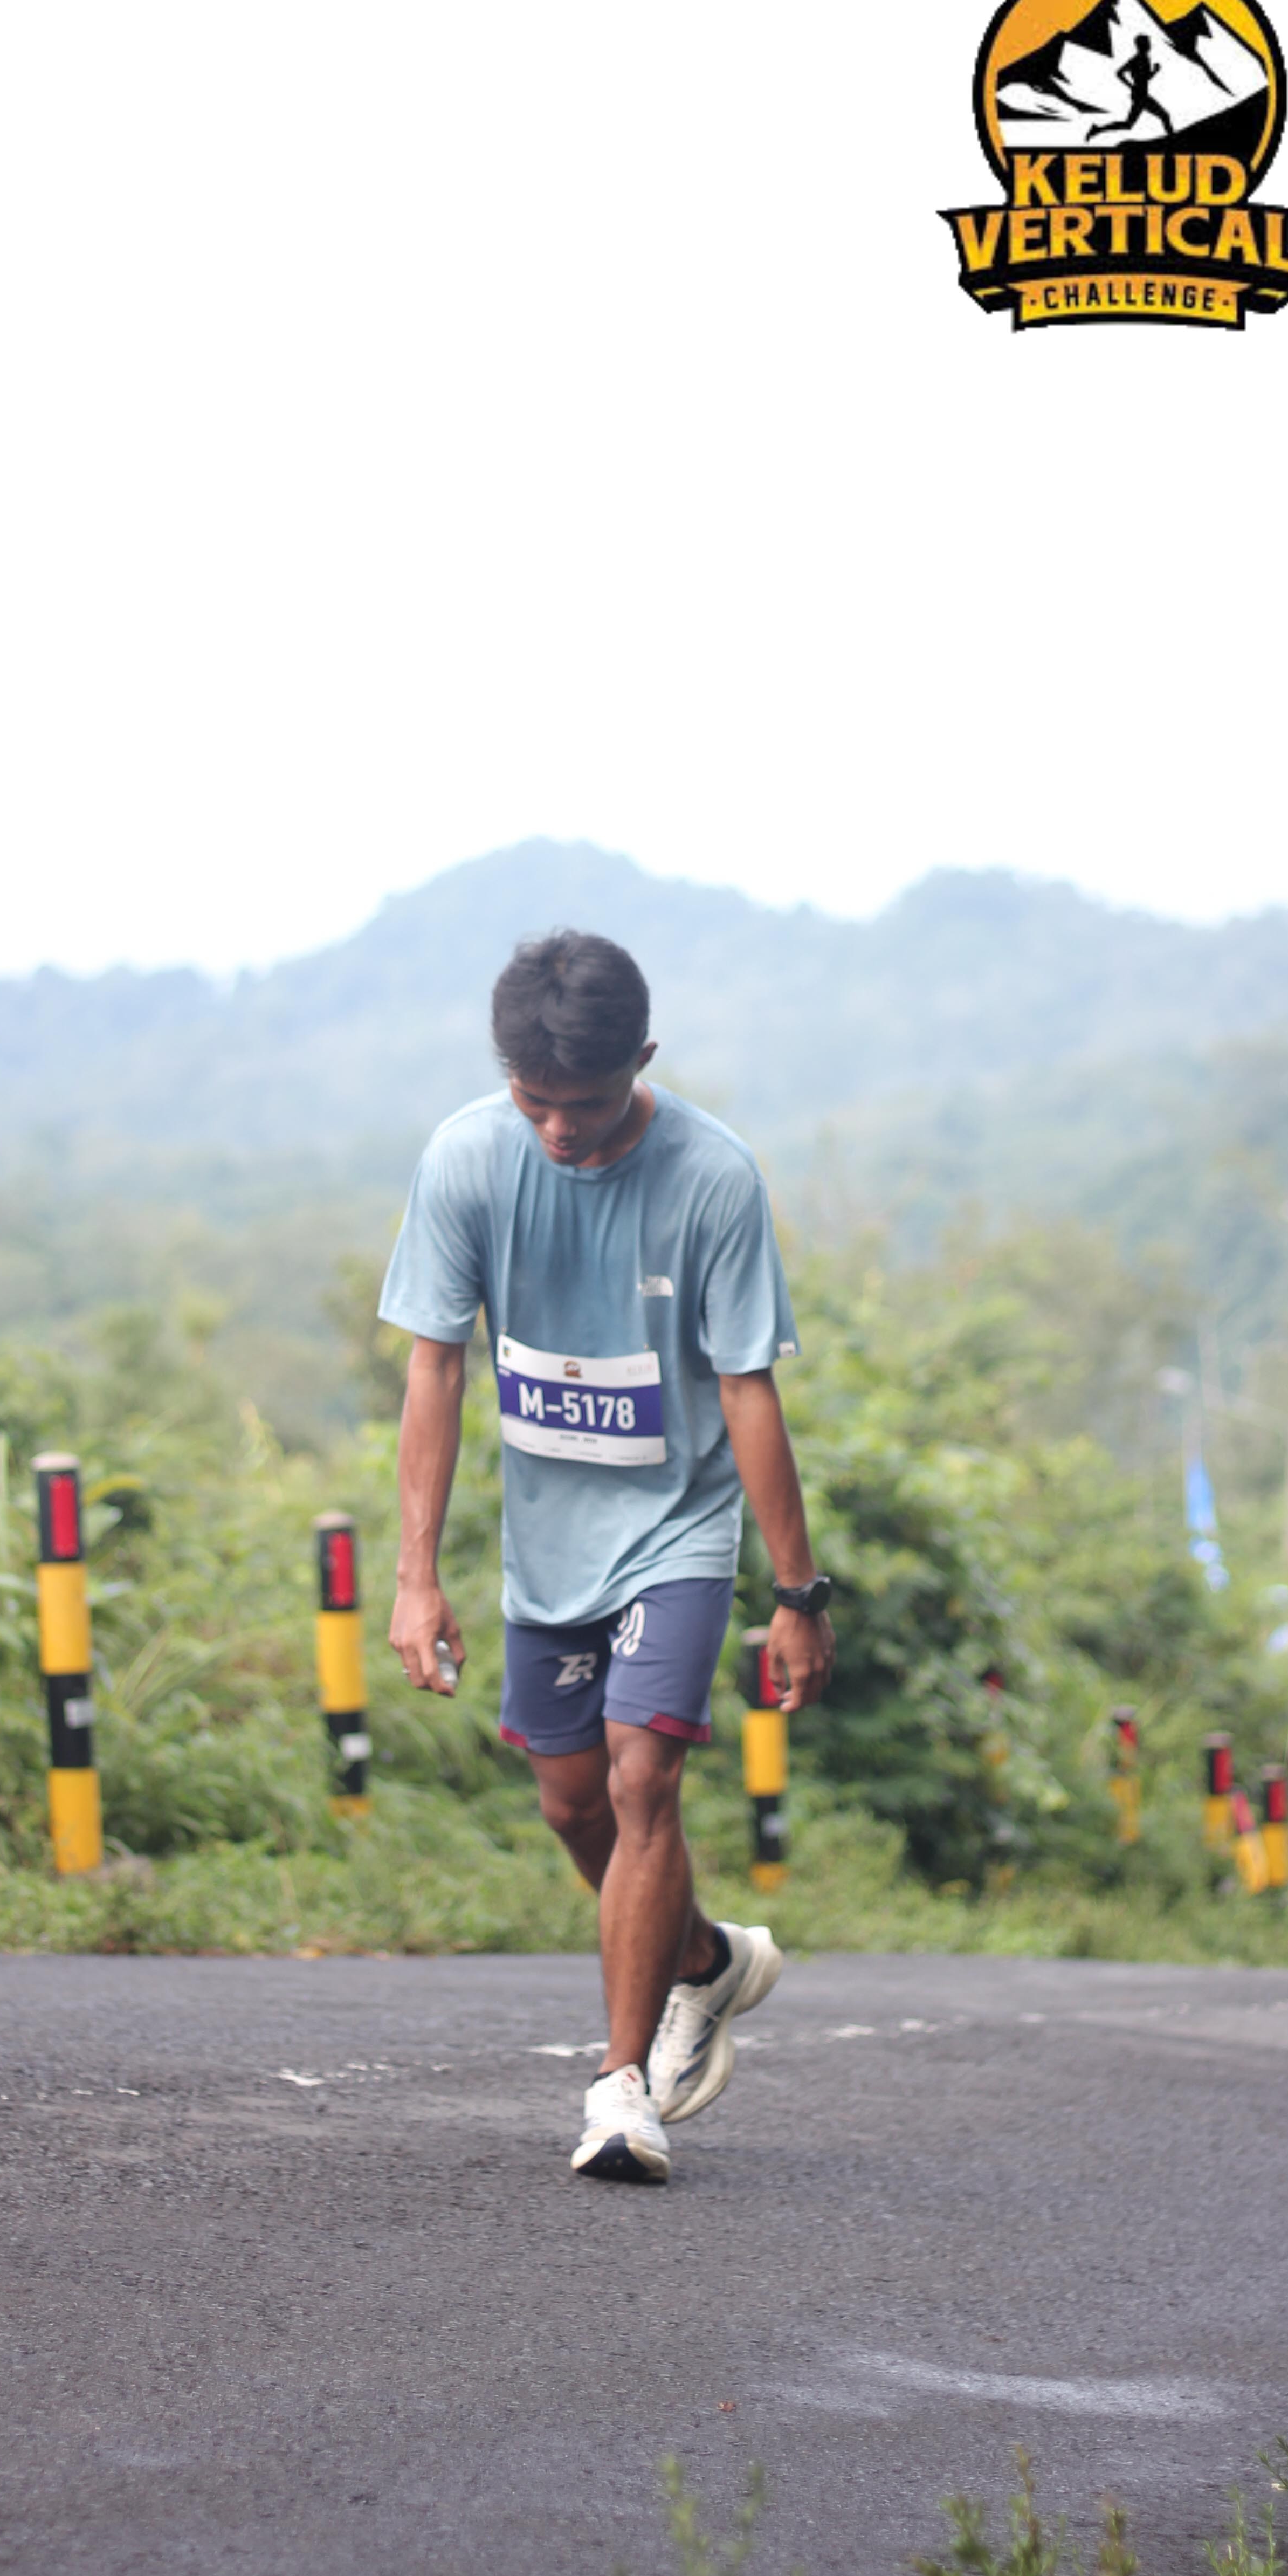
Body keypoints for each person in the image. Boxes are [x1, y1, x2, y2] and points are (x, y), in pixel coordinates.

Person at [377, 930, 834, 2182]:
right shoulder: (467, 1159)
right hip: (550, 1544)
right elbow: (434, 1367)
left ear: (642, 1059)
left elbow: (746, 1390)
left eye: (582, 1104)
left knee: (643, 1783)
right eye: (535, 1101)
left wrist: (797, 1594)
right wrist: (415, 1575)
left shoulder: (712, 1178)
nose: (559, 1130)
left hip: (679, 1525)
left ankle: (619, 2086)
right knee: (572, 1802)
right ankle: (703, 1958)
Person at [1087, 31, 1173, 142]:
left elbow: (1144, 79)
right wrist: (1132, 86)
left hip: (1141, 95)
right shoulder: (1138, 59)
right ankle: (1173, 140)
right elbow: (1120, 73)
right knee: (1165, 116)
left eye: (1149, 43)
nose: (1150, 45)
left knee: (1129, 124)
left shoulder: (1143, 58)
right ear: (1142, 45)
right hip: (1140, 96)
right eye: (1148, 43)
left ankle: (1097, 130)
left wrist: (1154, 72)